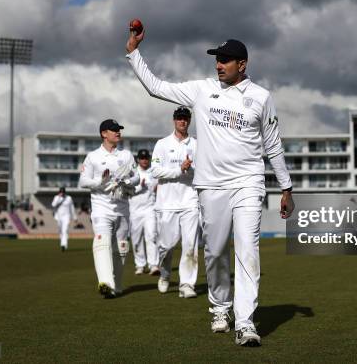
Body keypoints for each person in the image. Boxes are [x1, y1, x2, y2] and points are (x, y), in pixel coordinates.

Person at [126, 26, 294, 347]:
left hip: (248, 183)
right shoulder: (201, 90)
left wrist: (286, 188)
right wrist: (134, 52)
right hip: (211, 186)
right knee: (215, 252)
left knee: (247, 251)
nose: (218, 64)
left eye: (226, 60)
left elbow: (273, 145)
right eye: (217, 59)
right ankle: (220, 307)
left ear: (242, 65)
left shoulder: (261, 97)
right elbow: (155, 87)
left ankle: (245, 323)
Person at [79, 118, 140, 298]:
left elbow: (136, 177)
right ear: (104, 134)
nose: (118, 132)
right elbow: (83, 181)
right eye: (114, 130)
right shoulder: (93, 157)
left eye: (119, 130)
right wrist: (100, 182)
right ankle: (105, 282)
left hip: (122, 207)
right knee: (102, 241)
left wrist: (126, 181)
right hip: (101, 208)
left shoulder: (126, 155)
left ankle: (117, 285)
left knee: (121, 247)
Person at [150, 106, 199, 298]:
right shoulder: (162, 144)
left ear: (189, 120)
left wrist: (190, 168)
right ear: (174, 120)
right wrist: (179, 170)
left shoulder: (196, 144)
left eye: (186, 118)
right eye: (179, 118)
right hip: (167, 203)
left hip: (190, 200)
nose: (182, 121)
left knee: (190, 244)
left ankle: (186, 284)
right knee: (166, 245)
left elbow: (203, 171)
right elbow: (155, 171)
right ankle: (164, 273)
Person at [128, 149, 160, 276]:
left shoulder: (154, 172)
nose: (144, 160)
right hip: (134, 210)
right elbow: (128, 191)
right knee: (136, 239)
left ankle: (153, 265)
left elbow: (158, 188)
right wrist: (140, 186)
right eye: (142, 158)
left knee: (151, 236)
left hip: (150, 209)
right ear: (138, 160)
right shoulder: (132, 173)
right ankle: (140, 265)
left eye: (146, 158)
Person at [51, 186, 76, 252]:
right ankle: (64, 243)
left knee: (65, 230)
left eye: (63, 192)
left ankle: (63, 244)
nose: (62, 193)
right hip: (59, 216)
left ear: (65, 192)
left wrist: (75, 217)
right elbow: (53, 205)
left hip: (66, 216)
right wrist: (59, 198)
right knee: (60, 231)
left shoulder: (69, 198)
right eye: (61, 192)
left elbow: (72, 208)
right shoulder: (56, 197)